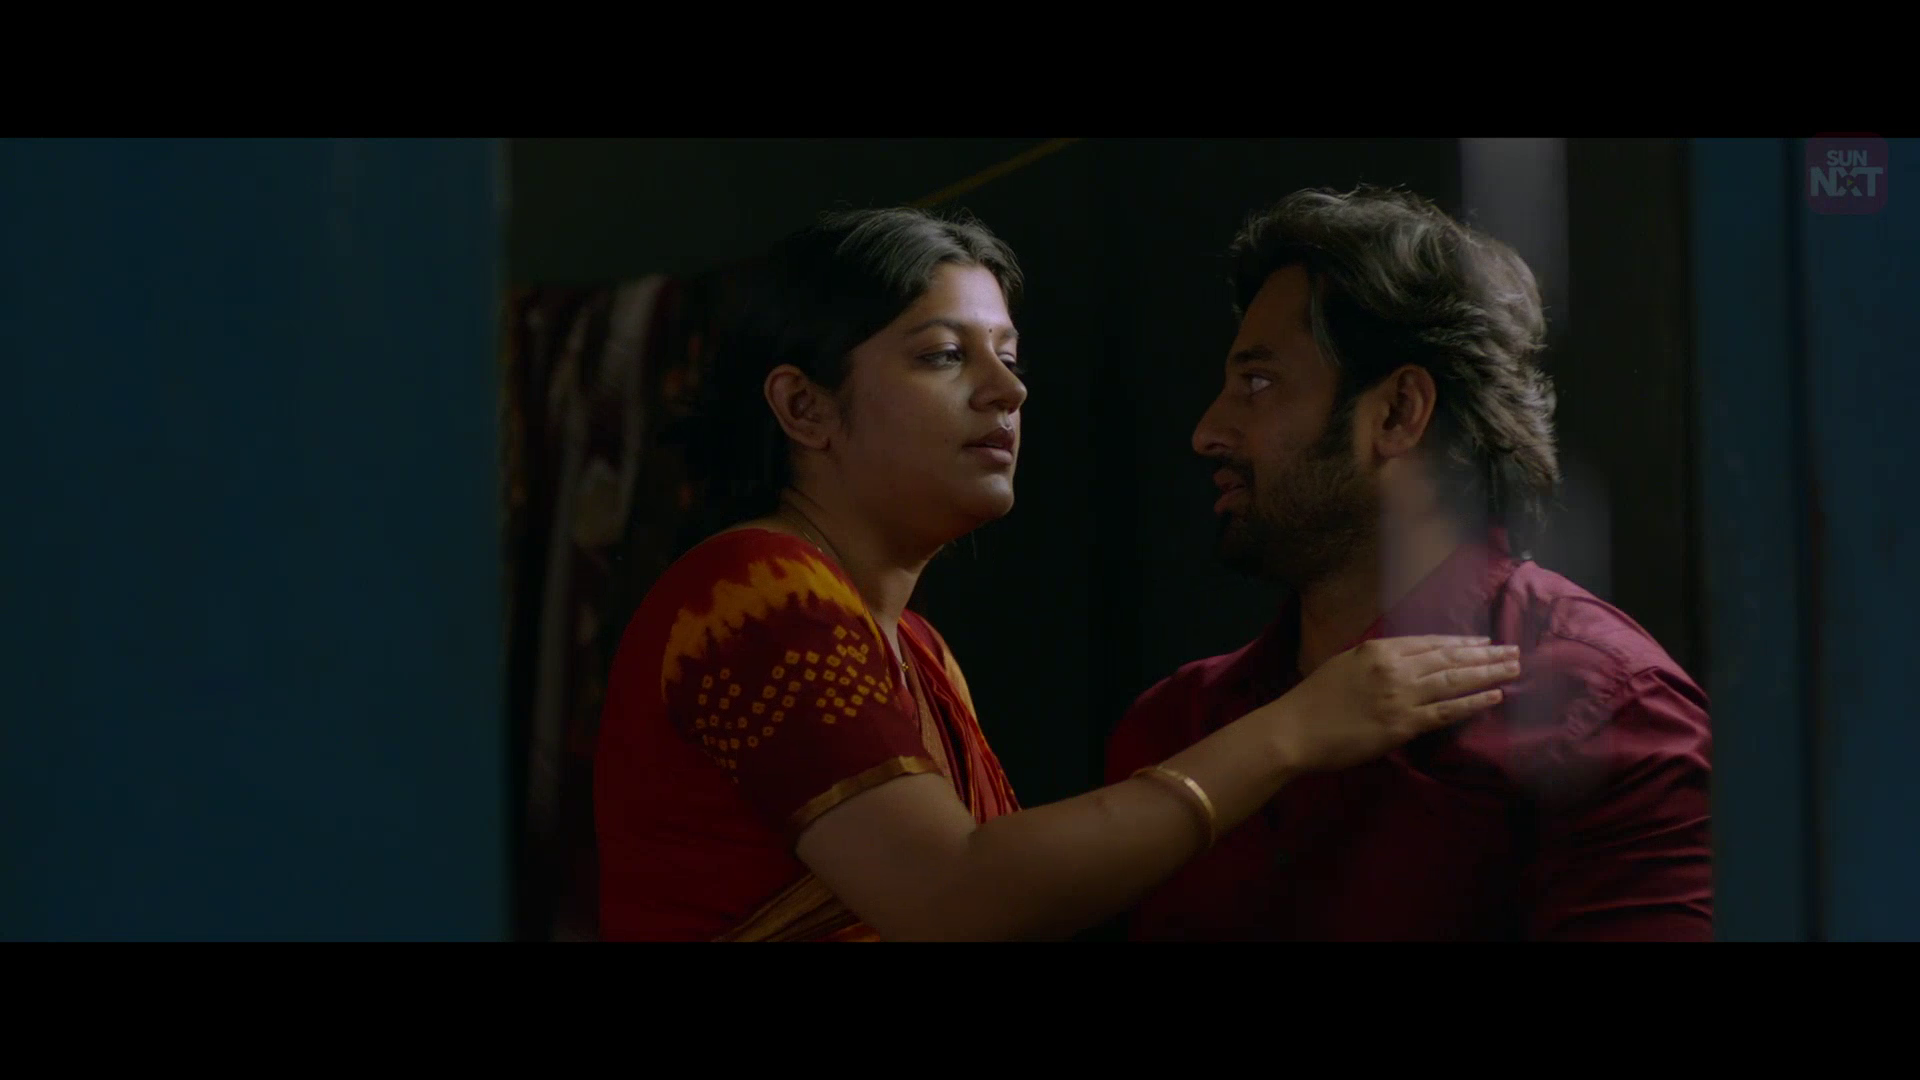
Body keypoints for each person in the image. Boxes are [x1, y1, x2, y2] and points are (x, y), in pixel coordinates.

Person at [593, 206, 1520, 942]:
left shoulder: (917, 649)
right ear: (804, 406)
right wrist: (1296, 730)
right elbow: (955, 894)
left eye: (1009, 358)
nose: (1009, 391)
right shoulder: (754, 594)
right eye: (944, 356)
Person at [1103, 186, 1713, 941]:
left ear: (1396, 413)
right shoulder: (1171, 731)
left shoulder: (1607, 713)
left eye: (1257, 383)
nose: (1207, 431)